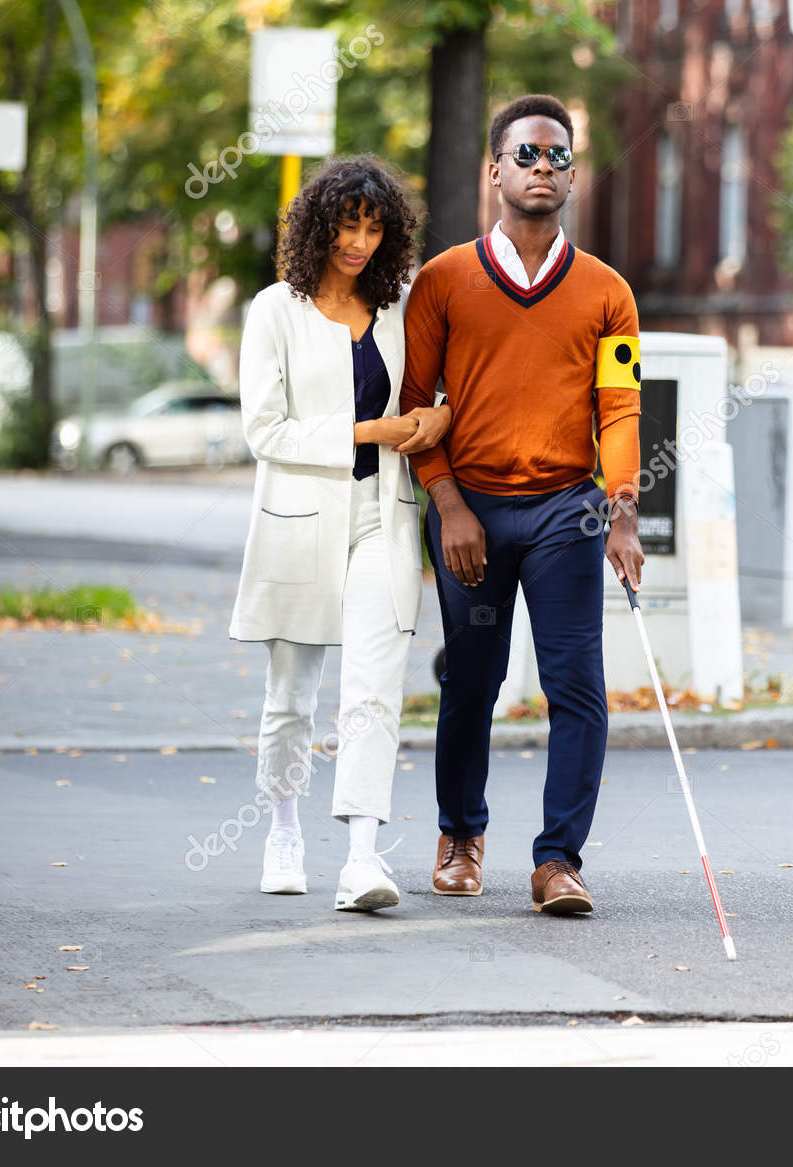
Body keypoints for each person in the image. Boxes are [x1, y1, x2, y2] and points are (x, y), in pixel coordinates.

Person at [399, 94, 644, 916]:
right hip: (469, 507)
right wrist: (447, 503)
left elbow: (618, 407)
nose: (544, 168)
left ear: (574, 173)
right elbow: (414, 404)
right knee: (473, 676)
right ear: (494, 170)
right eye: (528, 154)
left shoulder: (609, 292)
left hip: (564, 511)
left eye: (558, 156)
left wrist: (622, 512)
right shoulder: (443, 281)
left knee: (578, 682)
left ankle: (557, 861)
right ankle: (461, 836)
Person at [228, 155, 451, 911]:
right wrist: (373, 428)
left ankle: (361, 856)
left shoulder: (397, 307)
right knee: (292, 695)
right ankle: (284, 830)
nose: (358, 242)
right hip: (300, 517)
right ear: (319, 227)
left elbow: (437, 387)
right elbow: (265, 430)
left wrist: (433, 418)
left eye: (373, 227)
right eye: (347, 226)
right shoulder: (274, 311)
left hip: (382, 514)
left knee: (374, 689)